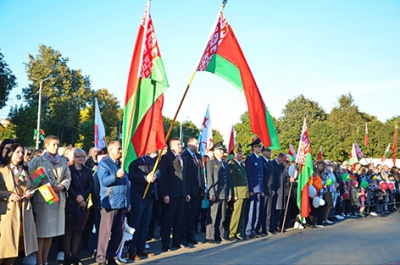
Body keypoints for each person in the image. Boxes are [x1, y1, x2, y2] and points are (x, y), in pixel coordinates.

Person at [29, 135, 71, 265]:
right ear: (46, 145)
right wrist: (45, 183)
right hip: (44, 198)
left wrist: (61, 185)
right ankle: (39, 261)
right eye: (53, 144)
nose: (56, 146)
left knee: (51, 233)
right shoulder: (38, 160)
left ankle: (45, 260)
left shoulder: (63, 160)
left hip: (58, 198)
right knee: (42, 232)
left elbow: (68, 176)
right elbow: (32, 178)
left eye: (58, 144)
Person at [0, 143, 38, 264]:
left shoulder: (23, 170)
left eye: (22, 152)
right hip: (8, 213)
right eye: (18, 152)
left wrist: (28, 192)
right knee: (4, 247)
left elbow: (24, 187)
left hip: (23, 213)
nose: (21, 154)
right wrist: (9, 195)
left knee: (16, 247)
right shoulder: (2, 169)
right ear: (10, 154)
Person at [96, 141, 131, 265]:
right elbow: (104, 181)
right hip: (109, 204)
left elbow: (127, 184)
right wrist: (116, 175)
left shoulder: (121, 164)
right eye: (119, 149)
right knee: (105, 233)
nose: (121, 151)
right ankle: (101, 258)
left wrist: (128, 201)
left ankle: (114, 257)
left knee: (118, 232)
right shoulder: (104, 164)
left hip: (121, 203)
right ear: (110, 150)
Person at [158, 138, 190, 251]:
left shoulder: (182, 158)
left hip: (181, 193)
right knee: (168, 219)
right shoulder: (166, 158)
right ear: (172, 147)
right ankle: (165, 244)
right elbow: (163, 178)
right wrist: (165, 194)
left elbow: (185, 177)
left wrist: (186, 192)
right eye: (178, 144)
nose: (181, 146)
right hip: (170, 194)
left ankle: (178, 241)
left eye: (181, 144)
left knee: (179, 219)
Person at [64, 148, 94, 265]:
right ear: (73, 158)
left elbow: (91, 186)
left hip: (84, 204)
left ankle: (75, 256)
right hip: (71, 203)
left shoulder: (88, 170)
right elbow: (68, 185)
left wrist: (83, 197)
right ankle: (67, 257)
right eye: (78, 156)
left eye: (83, 156)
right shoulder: (69, 170)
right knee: (68, 231)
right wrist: (77, 197)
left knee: (78, 231)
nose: (81, 158)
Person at [127, 153, 158, 261]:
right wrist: (144, 178)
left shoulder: (149, 159)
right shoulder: (132, 159)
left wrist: (155, 176)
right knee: (136, 223)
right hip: (137, 195)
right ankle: (132, 250)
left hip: (149, 195)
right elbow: (130, 175)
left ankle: (141, 247)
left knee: (145, 223)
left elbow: (158, 170)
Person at [205, 142, 231, 243]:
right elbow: (210, 179)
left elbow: (227, 179)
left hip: (224, 193)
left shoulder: (224, 163)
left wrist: (229, 192)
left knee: (222, 215)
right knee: (213, 215)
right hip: (215, 193)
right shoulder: (211, 162)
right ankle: (210, 236)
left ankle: (219, 235)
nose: (222, 151)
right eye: (219, 150)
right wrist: (212, 193)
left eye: (222, 150)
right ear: (214, 151)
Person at [182, 137, 204, 244]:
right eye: (196, 143)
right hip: (189, 191)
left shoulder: (198, 157)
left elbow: (200, 174)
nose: (198, 145)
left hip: (197, 190)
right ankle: (184, 236)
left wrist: (202, 188)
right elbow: (185, 176)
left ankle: (191, 235)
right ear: (189, 144)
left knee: (193, 215)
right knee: (185, 215)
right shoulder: (184, 156)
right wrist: (186, 191)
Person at [228, 143, 249, 241]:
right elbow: (233, 181)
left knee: (241, 214)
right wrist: (235, 194)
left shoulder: (240, 165)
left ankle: (237, 232)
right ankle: (232, 233)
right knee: (236, 214)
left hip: (243, 192)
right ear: (235, 154)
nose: (241, 155)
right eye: (239, 153)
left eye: (241, 153)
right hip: (238, 193)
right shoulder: (232, 165)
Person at [244, 138, 264, 238]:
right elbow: (249, 175)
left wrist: (262, 189)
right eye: (259, 146)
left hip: (259, 188)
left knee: (257, 210)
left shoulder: (259, 159)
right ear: (254, 148)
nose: (260, 148)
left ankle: (254, 230)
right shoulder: (250, 158)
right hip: (253, 188)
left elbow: (261, 175)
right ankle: (248, 230)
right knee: (251, 210)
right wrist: (250, 189)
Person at [258, 146, 273, 236]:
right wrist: (261, 189)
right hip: (263, 188)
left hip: (269, 189)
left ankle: (267, 228)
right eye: (268, 151)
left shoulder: (269, 162)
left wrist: (272, 188)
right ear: (263, 152)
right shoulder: (261, 161)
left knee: (268, 210)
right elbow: (261, 177)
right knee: (262, 210)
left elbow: (272, 177)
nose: (270, 153)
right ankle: (261, 229)